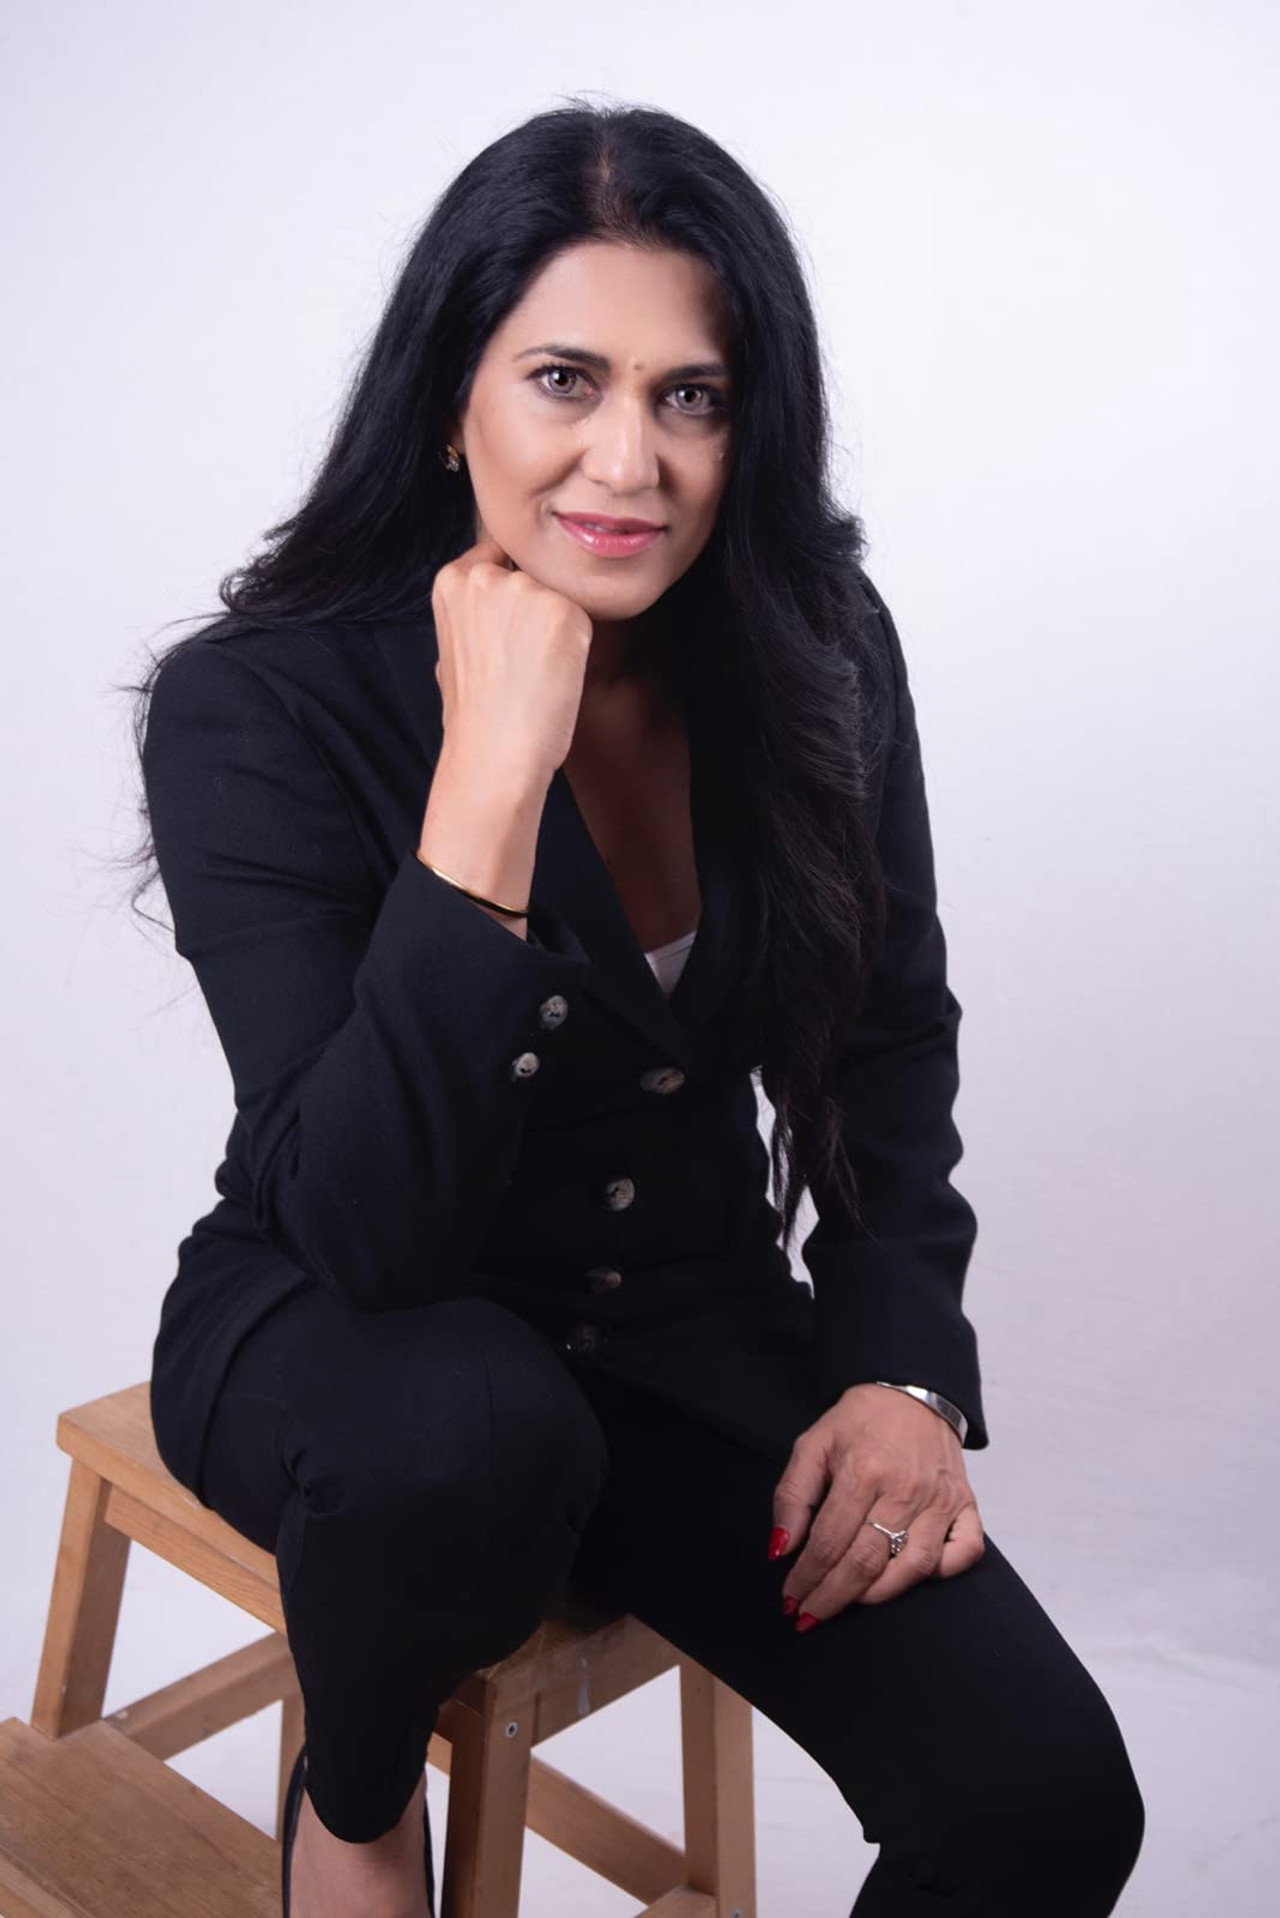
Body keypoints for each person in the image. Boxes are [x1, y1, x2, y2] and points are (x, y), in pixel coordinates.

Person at [126, 100, 1145, 1918]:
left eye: (692, 396)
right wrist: (489, 782)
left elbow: (890, 1031)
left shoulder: (819, 641)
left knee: (1045, 1797)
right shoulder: (257, 703)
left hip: (682, 1336)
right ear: (451, 396)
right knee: (468, 1424)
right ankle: (353, 1799)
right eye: (565, 380)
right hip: (349, 1344)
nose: (630, 459)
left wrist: (898, 1364)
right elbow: (363, 1227)